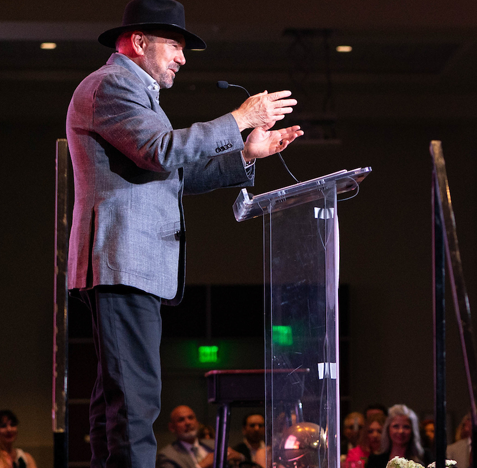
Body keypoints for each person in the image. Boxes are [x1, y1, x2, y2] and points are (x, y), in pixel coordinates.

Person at [66, 1, 302, 468]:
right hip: (121, 264)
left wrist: (246, 153)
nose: (182, 57)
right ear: (138, 42)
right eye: (174, 45)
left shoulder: (136, 92)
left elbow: (174, 174)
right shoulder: (112, 85)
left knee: (118, 403)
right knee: (134, 403)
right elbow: (161, 151)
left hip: (130, 267)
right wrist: (239, 118)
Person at [157, 405, 241, 468]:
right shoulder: (167, 455)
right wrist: (202, 465)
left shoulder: (214, 444)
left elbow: (242, 460)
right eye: (181, 420)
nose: (188, 423)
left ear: (197, 422)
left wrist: (239, 457)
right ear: (172, 427)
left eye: (191, 418)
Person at [366, 405, 431, 468]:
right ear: (388, 429)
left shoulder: (425, 457)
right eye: (396, 426)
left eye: (406, 427)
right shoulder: (375, 459)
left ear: (413, 430)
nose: (400, 431)